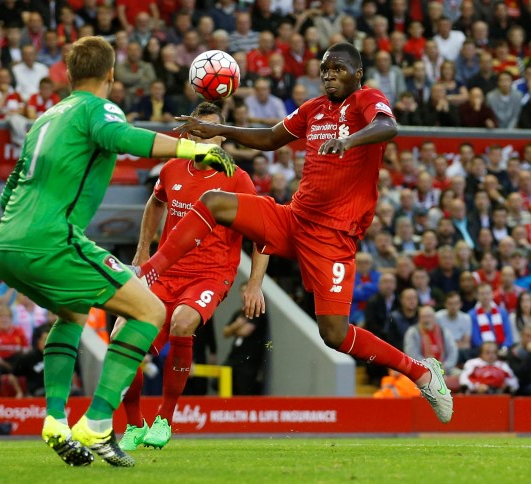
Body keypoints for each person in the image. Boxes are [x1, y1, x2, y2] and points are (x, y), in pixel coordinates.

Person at [138, 42, 453, 424]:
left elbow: (389, 126)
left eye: (337, 69)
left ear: (358, 74)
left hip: (333, 238)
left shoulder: (366, 101)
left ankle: (421, 372)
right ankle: (152, 270)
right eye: (324, 69)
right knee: (215, 200)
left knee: (334, 334)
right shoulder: (313, 110)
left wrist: (349, 140)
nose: (329, 75)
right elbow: (271, 139)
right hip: (294, 219)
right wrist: (216, 129)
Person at [0, 36, 235, 467]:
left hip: (7, 243)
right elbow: (122, 137)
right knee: (150, 312)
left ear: (67, 74)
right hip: (54, 239)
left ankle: (53, 419)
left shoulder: (45, 117)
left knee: (72, 314)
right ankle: (99, 421)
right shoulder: (96, 108)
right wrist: (196, 147)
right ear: (110, 74)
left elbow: (11, 186)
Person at [117, 102, 267, 451]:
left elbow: (264, 232)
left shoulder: (237, 178)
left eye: (216, 133)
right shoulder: (171, 169)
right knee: (123, 343)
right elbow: (156, 203)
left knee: (184, 323)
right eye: (201, 131)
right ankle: (135, 425)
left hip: (210, 274)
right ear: (188, 135)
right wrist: (143, 251)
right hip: (166, 272)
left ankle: (165, 419)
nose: (210, 139)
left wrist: (255, 282)